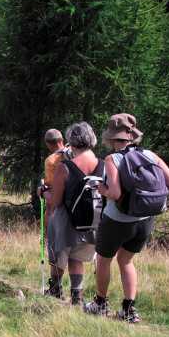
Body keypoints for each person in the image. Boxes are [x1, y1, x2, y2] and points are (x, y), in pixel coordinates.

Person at [87, 113, 169, 323]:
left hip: (117, 220)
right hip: (145, 220)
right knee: (126, 260)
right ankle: (129, 310)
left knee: (103, 260)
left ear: (111, 138)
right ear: (132, 136)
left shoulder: (113, 159)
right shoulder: (150, 155)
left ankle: (100, 304)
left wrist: (101, 188)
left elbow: (116, 194)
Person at [45, 122, 102, 305]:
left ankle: (55, 289)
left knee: (58, 257)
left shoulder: (66, 167)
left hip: (67, 221)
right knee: (77, 258)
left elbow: (56, 201)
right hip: (92, 221)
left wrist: (43, 192)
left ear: (71, 141)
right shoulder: (102, 164)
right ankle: (77, 296)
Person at [40, 128, 70, 296]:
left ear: (47, 143)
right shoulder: (75, 153)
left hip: (57, 209)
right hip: (77, 210)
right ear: (62, 139)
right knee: (71, 252)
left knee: (54, 251)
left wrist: (42, 190)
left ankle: (55, 288)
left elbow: (51, 187)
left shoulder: (51, 160)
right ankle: (75, 293)